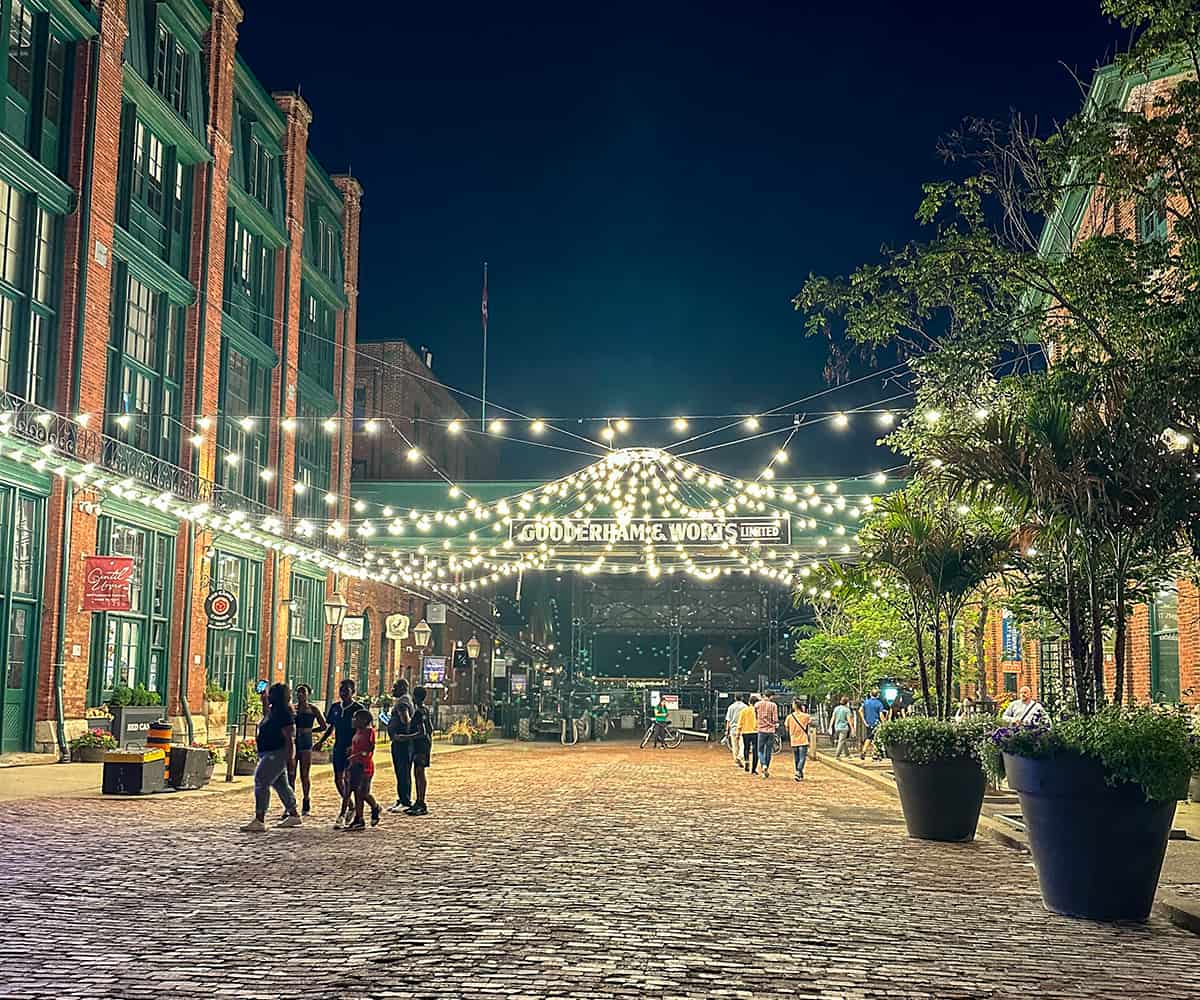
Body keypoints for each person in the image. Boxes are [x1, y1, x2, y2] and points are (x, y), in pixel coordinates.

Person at [240, 682, 301, 832]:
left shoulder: (284, 714)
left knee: (261, 780)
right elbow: (266, 711)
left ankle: (260, 818)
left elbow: (289, 738)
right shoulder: (274, 712)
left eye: (272, 693)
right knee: (280, 784)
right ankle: (293, 813)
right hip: (268, 752)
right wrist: (263, 697)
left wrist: (290, 758)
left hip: (276, 753)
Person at [314, 678, 364, 829]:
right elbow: (331, 727)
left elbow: (364, 729)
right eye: (341, 691)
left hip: (352, 749)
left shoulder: (358, 709)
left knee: (350, 782)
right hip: (339, 747)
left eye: (346, 691)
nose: (343, 694)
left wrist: (356, 745)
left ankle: (344, 813)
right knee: (338, 780)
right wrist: (321, 741)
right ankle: (350, 804)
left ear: (353, 692)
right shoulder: (336, 707)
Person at [287, 684, 326, 816]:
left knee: (304, 774)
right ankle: (290, 804)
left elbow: (323, 725)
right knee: (291, 774)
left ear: (309, 694)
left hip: (306, 743)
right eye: (298, 692)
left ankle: (306, 800)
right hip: (294, 742)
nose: (300, 694)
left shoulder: (313, 709)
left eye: (303, 692)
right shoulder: (293, 708)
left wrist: (311, 731)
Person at [342, 709, 381, 831]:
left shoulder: (369, 732)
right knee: (356, 792)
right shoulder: (358, 731)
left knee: (362, 792)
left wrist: (360, 754)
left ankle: (374, 807)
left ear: (364, 720)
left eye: (356, 718)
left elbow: (370, 749)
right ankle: (359, 818)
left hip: (364, 766)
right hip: (354, 765)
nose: (353, 720)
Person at [386, 679, 416, 813]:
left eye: (395, 687)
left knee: (402, 771)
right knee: (402, 771)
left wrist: (402, 735)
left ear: (402, 688)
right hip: (401, 742)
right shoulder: (405, 700)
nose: (393, 690)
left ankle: (405, 800)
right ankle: (402, 797)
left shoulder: (402, 703)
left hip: (401, 743)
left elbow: (406, 720)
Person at [405, 686, 434, 816]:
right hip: (424, 745)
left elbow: (422, 731)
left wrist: (405, 737)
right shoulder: (425, 710)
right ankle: (419, 801)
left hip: (420, 746)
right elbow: (430, 728)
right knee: (418, 773)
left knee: (419, 772)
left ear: (415, 697)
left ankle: (421, 802)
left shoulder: (419, 712)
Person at [785, 699, 814, 781]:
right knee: (802, 758)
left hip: (794, 739)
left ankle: (798, 772)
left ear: (794, 706)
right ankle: (798, 772)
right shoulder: (806, 716)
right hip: (803, 739)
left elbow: (786, 728)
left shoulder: (789, 717)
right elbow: (811, 723)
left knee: (796, 758)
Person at [859, 688, 889, 760]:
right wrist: (884, 723)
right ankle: (875, 754)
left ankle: (864, 752)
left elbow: (860, 710)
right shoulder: (879, 703)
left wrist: (864, 721)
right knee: (876, 738)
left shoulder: (866, 702)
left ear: (870, 694)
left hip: (869, 723)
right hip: (876, 723)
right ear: (878, 695)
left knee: (869, 738)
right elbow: (881, 714)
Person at [755, 691, 779, 779]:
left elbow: (755, 716)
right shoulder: (773, 705)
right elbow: (775, 719)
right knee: (768, 751)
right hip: (771, 730)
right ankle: (766, 768)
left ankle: (763, 765)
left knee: (760, 750)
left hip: (761, 730)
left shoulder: (757, 705)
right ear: (771, 696)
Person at [738, 695, 760, 774]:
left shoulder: (744, 710)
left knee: (746, 748)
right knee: (755, 750)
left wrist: (738, 732)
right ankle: (754, 769)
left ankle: (747, 761)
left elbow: (740, 722)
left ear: (749, 702)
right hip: (755, 732)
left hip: (745, 731)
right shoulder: (757, 711)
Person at [725, 693, 748, 766]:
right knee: (743, 744)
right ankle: (740, 756)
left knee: (735, 746)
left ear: (735, 698)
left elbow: (728, 720)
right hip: (742, 728)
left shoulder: (731, 707)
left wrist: (727, 730)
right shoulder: (745, 707)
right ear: (742, 698)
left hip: (733, 728)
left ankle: (736, 761)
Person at [831, 695, 854, 760]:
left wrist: (830, 726)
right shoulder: (847, 710)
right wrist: (852, 728)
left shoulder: (836, 708)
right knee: (841, 741)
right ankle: (837, 755)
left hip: (837, 727)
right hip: (844, 728)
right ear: (847, 702)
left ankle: (847, 754)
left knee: (843, 741)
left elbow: (833, 717)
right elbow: (849, 720)